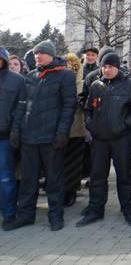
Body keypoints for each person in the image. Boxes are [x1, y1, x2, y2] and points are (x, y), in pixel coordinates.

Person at [4, 40, 76, 232]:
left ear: (51, 55)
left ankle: (55, 215)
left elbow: (69, 106)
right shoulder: (31, 76)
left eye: (42, 53)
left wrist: (62, 132)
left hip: (51, 138)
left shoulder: (65, 75)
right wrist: (16, 130)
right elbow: (22, 105)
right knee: (28, 180)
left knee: (54, 180)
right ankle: (26, 215)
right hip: (29, 138)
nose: (38, 56)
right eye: (36, 53)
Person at [77, 53, 131, 227]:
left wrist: (124, 126)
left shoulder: (130, 85)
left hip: (121, 139)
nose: (107, 70)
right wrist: (91, 125)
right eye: (104, 66)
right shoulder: (95, 86)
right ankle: (95, 210)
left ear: (117, 67)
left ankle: (128, 210)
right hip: (99, 140)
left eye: (111, 66)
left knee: (124, 176)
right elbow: (88, 108)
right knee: (97, 176)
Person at [0, 47, 26, 229]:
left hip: (4, 136)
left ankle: (9, 213)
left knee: (6, 177)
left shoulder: (17, 80)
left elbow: (20, 109)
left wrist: (15, 131)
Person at [62, 54, 88, 207]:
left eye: (74, 67)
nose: (71, 70)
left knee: (73, 163)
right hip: (59, 129)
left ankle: (71, 191)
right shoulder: (60, 82)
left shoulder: (82, 84)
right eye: (68, 66)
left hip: (77, 129)